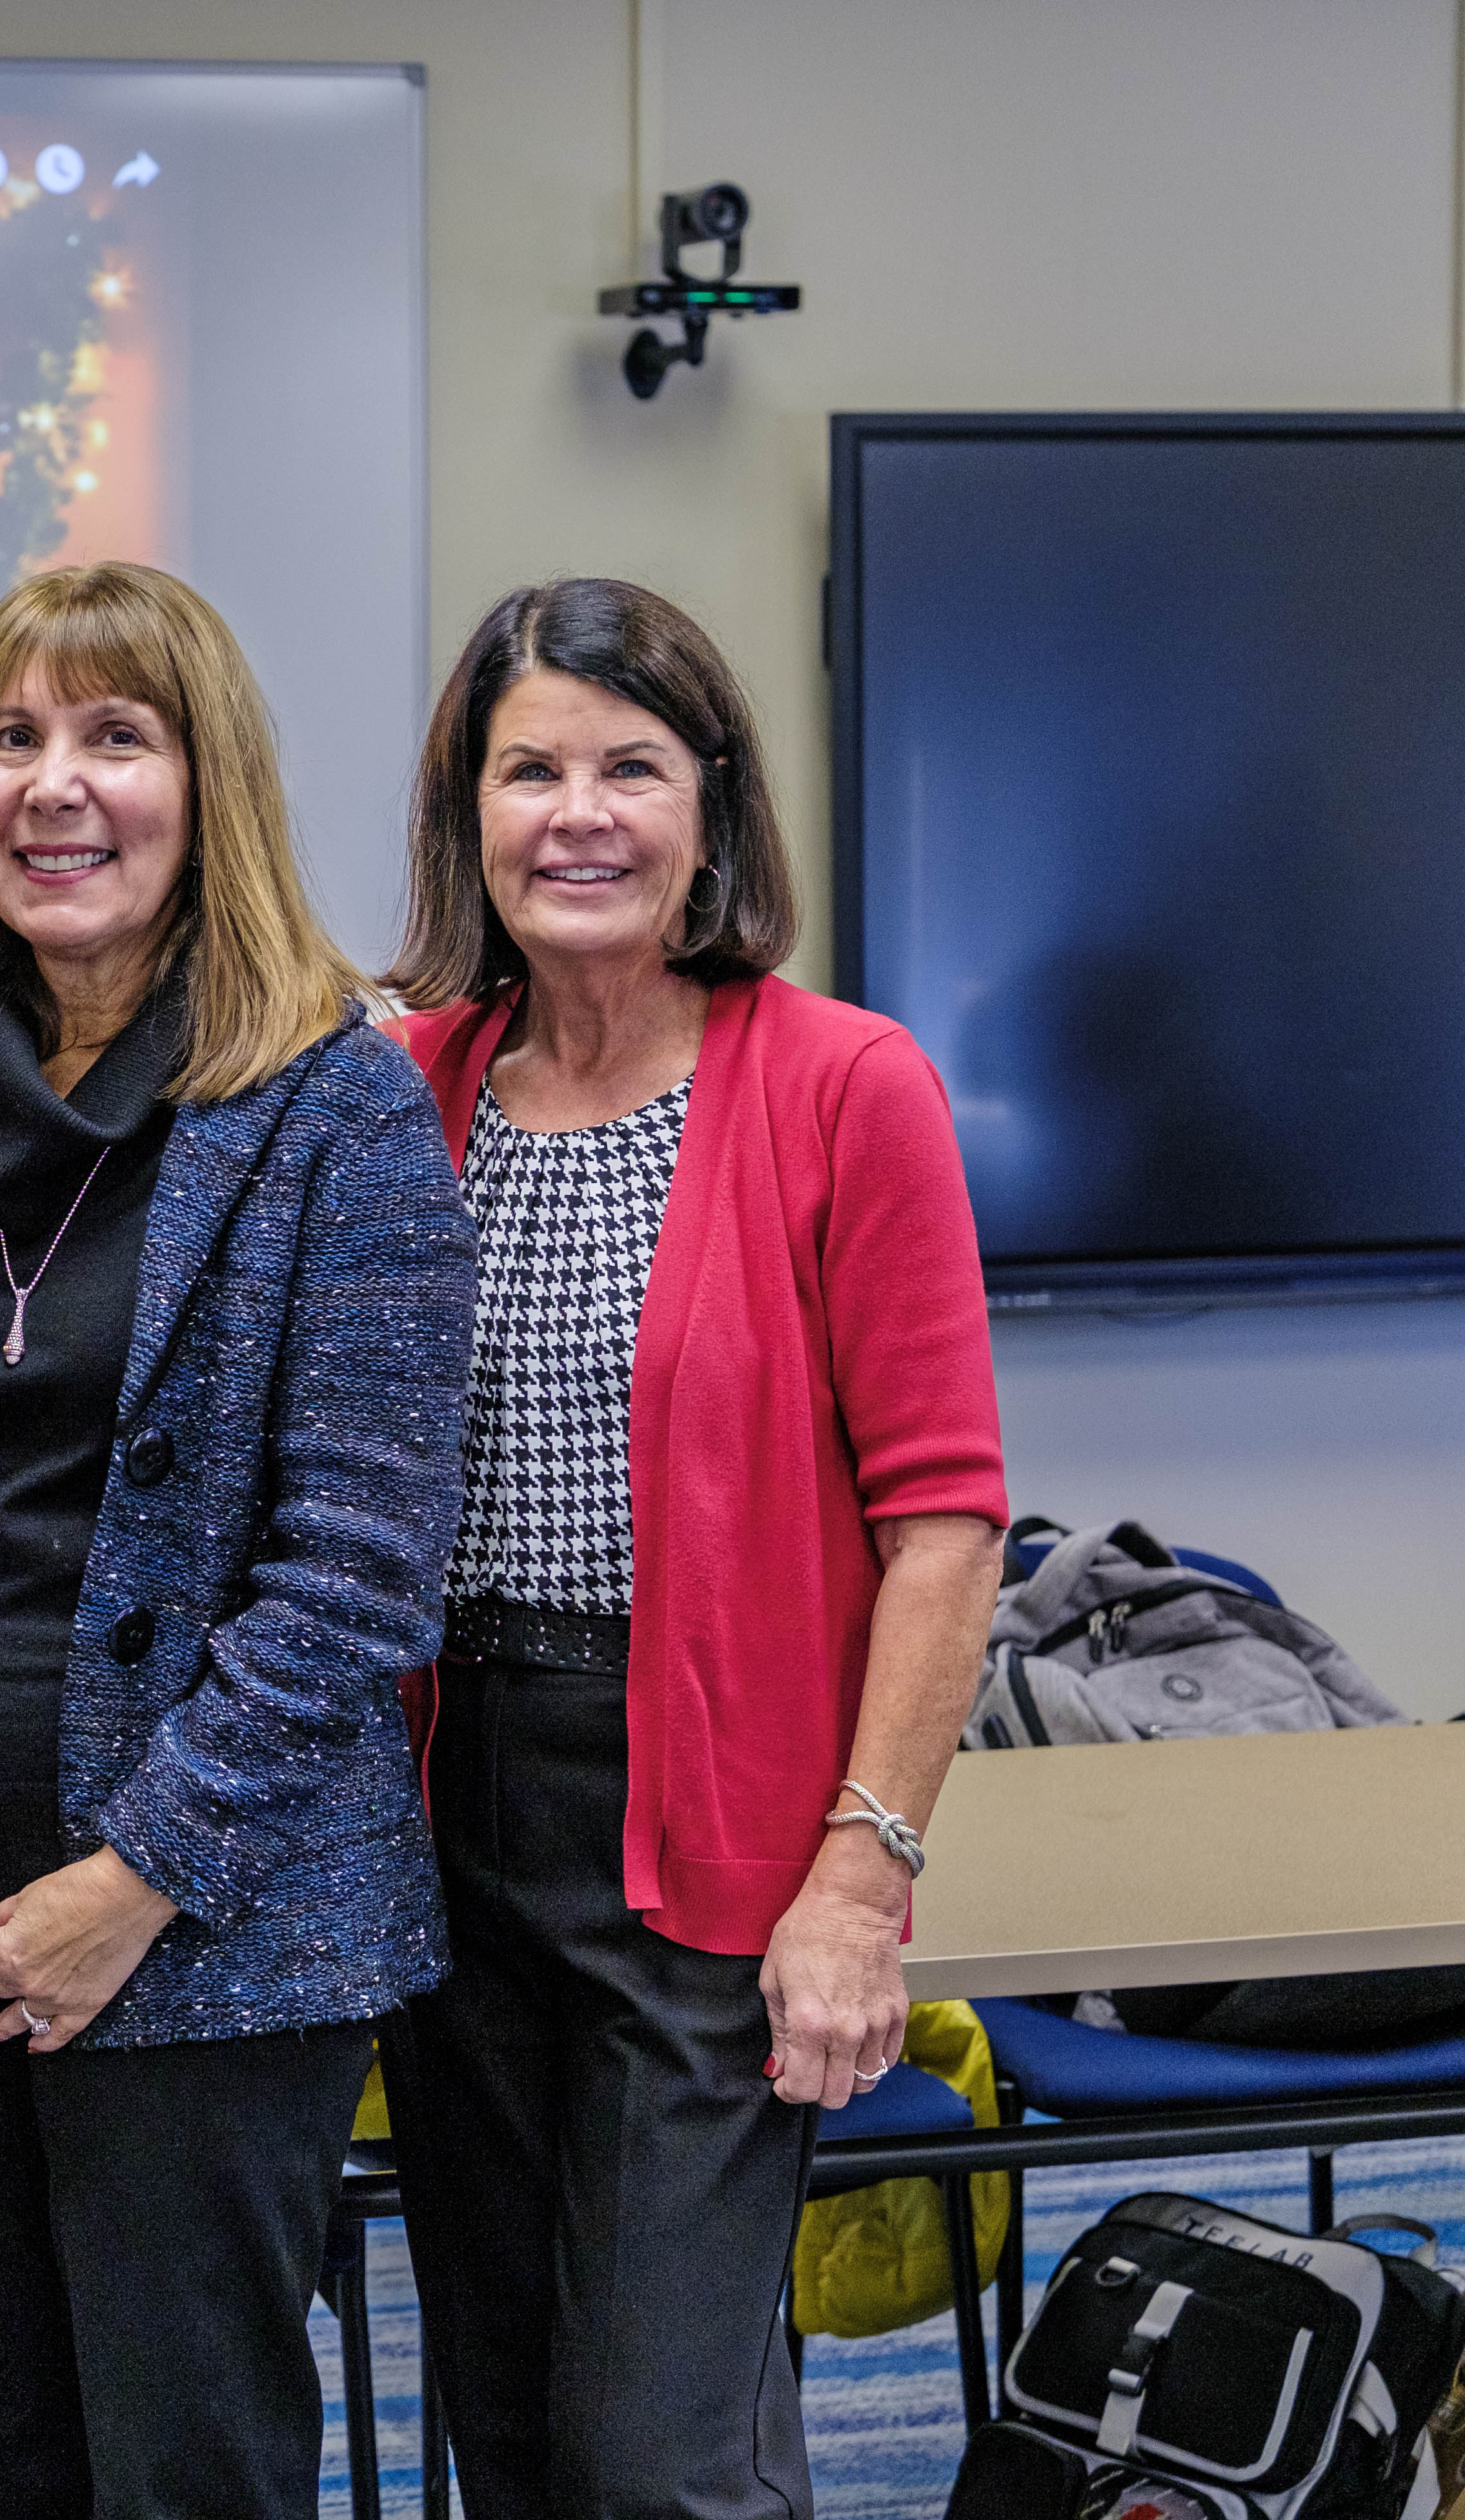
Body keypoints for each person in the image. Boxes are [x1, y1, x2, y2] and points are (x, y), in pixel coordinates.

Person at [0, 562, 474, 2520]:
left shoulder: (339, 1111)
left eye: (114, 737)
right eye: (12, 739)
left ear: (208, 786)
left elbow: (358, 1574)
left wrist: (137, 1876)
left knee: (193, 2468)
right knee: (30, 2447)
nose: (52, 787)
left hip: (218, 1921)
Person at [374, 577, 1007, 2519]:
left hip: (712, 1834)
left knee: (667, 2455)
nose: (580, 814)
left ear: (712, 810)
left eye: (631, 768)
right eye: (530, 769)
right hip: (442, 1820)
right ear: (467, 818)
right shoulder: (414, 1092)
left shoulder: (843, 1085)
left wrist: (860, 1879)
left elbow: (948, 1525)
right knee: (515, 2423)